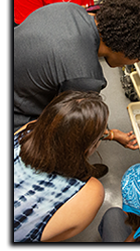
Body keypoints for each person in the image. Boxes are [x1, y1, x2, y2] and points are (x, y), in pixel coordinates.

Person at [14, 0, 140, 153]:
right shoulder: (85, 76)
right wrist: (109, 135)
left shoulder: (70, 9)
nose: (136, 61)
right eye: (139, 57)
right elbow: (78, 125)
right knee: (78, 142)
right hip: (17, 119)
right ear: (127, 49)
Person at [14, 91, 108, 242]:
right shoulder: (93, 193)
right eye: (100, 136)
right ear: (88, 147)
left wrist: (112, 135)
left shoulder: (28, 131)